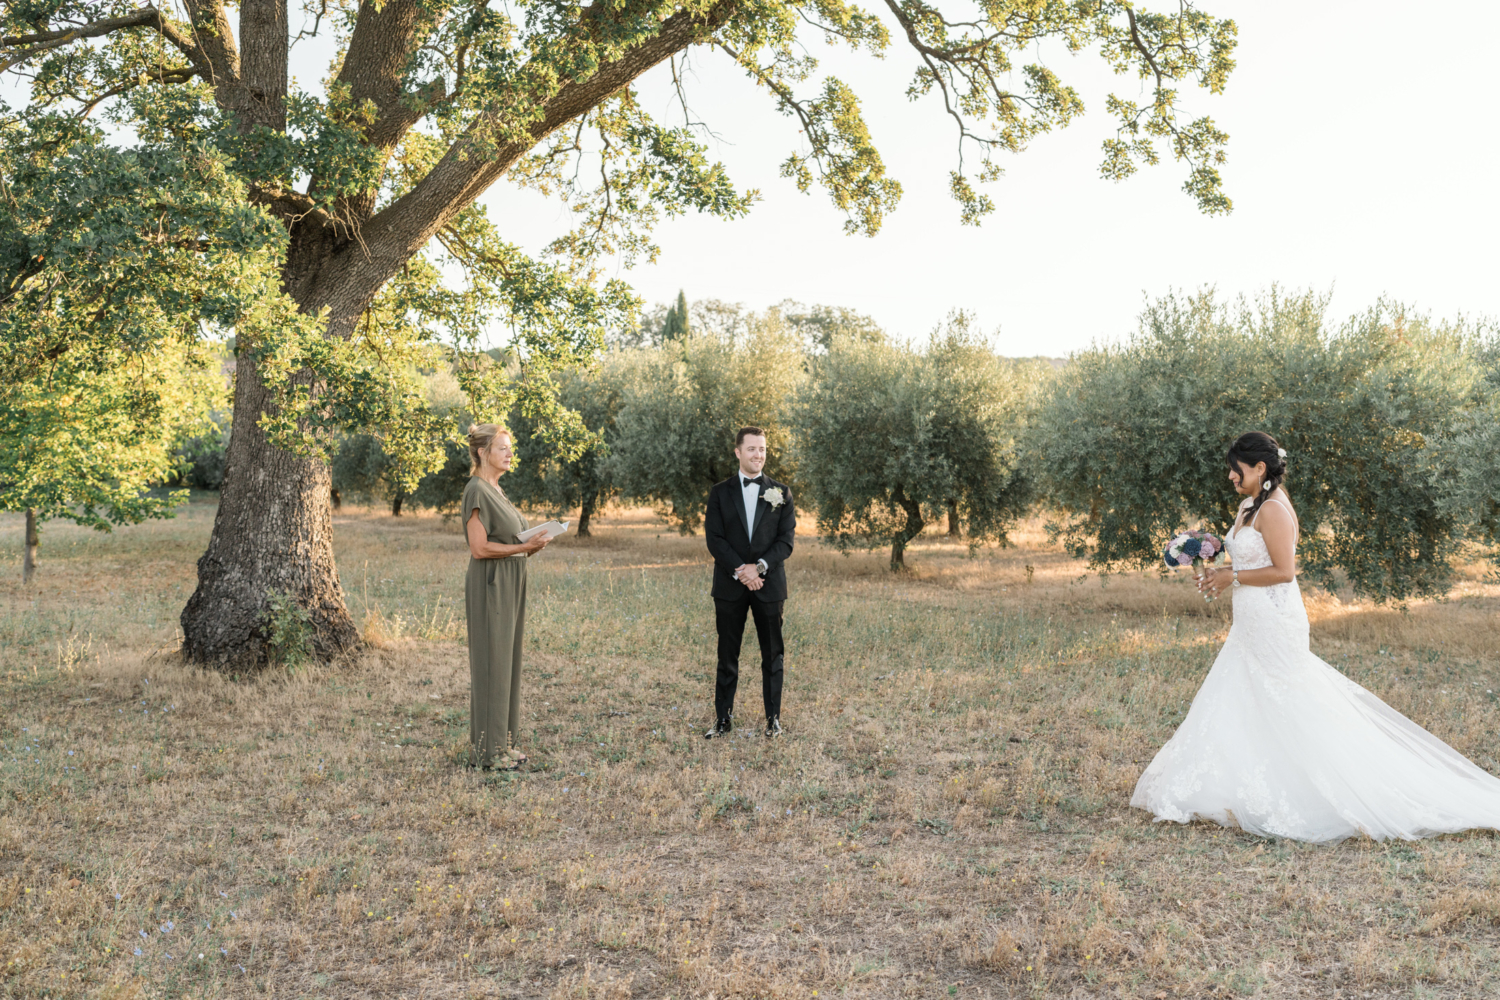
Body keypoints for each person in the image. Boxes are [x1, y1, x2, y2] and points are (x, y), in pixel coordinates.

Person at [1131, 431, 1500, 842]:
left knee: (1289, 701)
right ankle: (1240, 785)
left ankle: (1328, 789)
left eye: (1236, 470)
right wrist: (1212, 558)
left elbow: (1285, 572)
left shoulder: (1273, 510)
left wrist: (1230, 575)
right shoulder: (1249, 506)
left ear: (1260, 468)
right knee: (1245, 697)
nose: (1231, 477)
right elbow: (1251, 558)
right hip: (1250, 621)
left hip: (1275, 620)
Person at [461, 424, 551, 771]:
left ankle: (504, 742)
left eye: (510, 447)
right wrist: (523, 546)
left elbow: (511, 542)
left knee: (507, 662)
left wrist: (531, 545)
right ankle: (487, 750)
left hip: (513, 578)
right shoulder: (476, 490)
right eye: (503, 448)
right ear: (483, 452)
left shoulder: (497, 490)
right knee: (491, 663)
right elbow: (479, 547)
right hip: (491, 583)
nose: (510, 453)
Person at [703, 426, 796, 739]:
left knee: (773, 656)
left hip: (769, 587)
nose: (759, 455)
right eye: (753, 449)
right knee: (727, 655)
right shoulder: (719, 492)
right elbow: (714, 538)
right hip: (730, 586)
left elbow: (786, 541)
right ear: (738, 452)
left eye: (763, 449)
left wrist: (758, 568)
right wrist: (740, 570)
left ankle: (773, 721)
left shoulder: (781, 493)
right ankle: (723, 720)